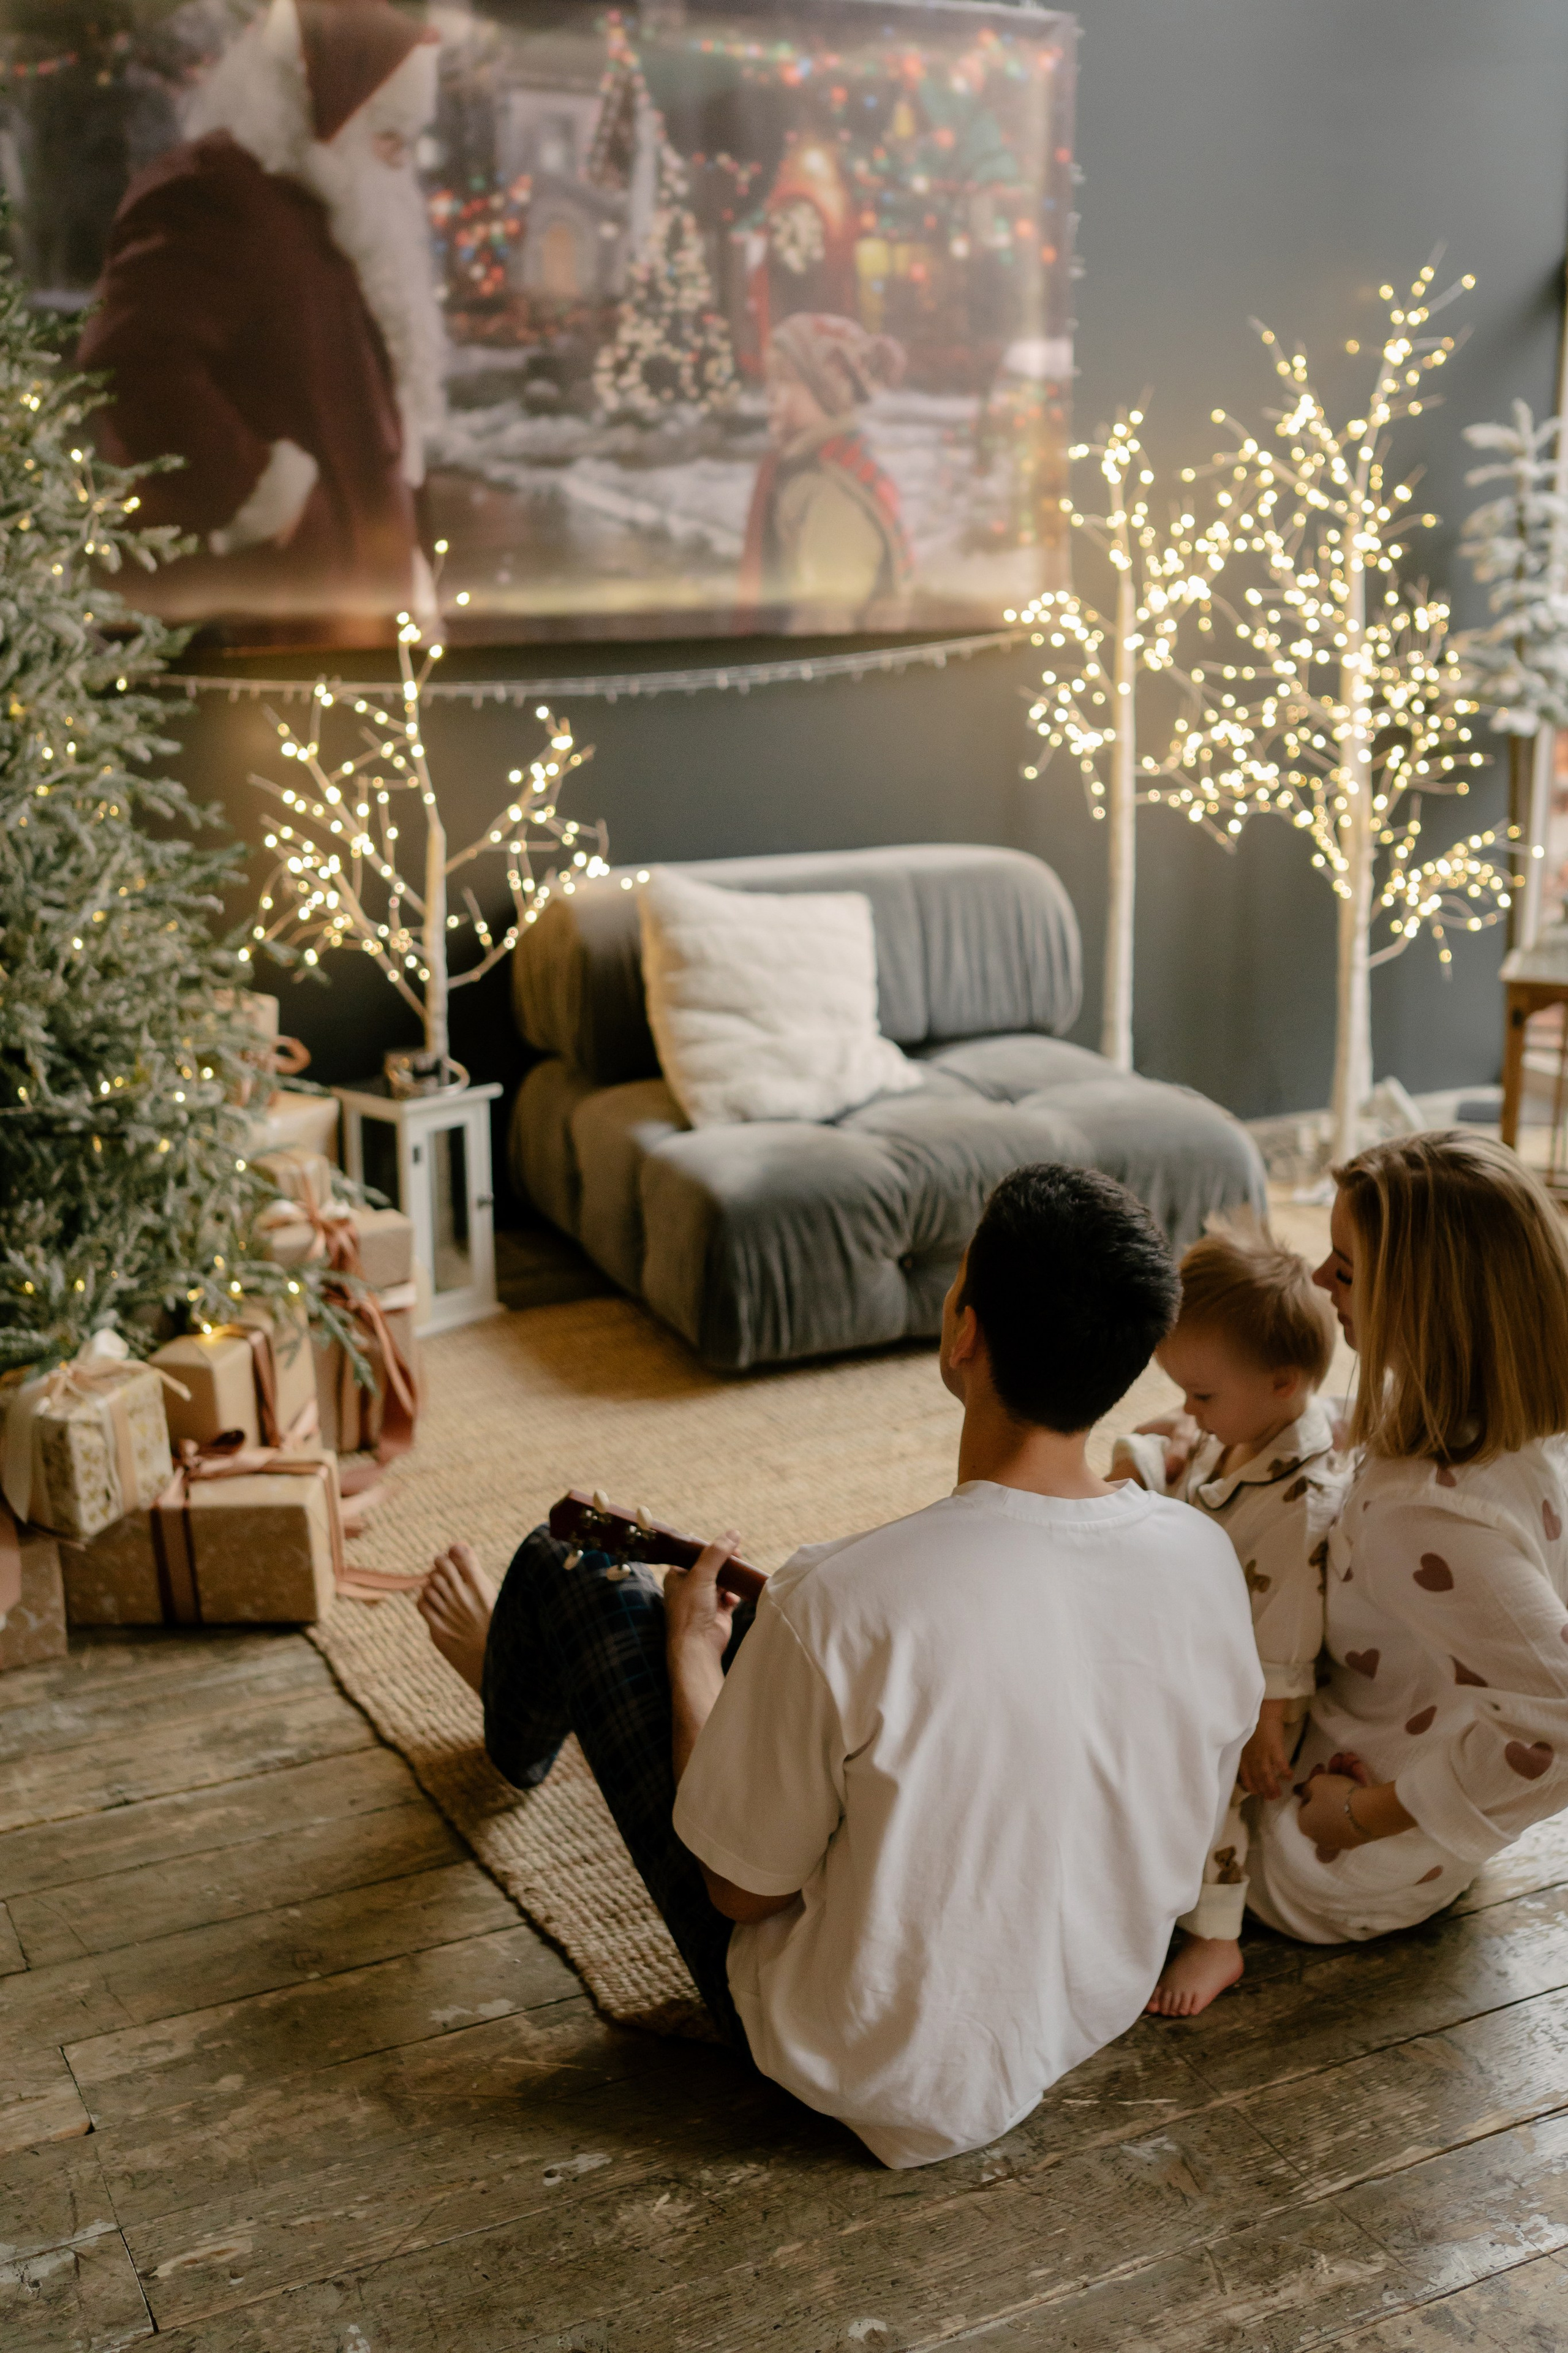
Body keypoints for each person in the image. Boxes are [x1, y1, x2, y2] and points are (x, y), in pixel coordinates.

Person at [418, 1163, 1262, 2169]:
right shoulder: (1202, 1556)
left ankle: (513, 1703)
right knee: (840, 1686)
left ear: (962, 1330)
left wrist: (695, 1660)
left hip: (854, 2066)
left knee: (574, 1568)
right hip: (1075, 2015)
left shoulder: (843, 1598)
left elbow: (739, 1891)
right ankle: (572, 1679)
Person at [1248, 1132, 1568, 1943]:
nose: (1319, 1280)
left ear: (1423, 1306)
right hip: (1400, 1771)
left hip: (1334, 1852)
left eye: (1345, 1270)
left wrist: (1360, 1814)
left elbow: (1561, 1722)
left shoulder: (1422, 1517)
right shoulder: (1499, 1425)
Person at [77, 0, 446, 633]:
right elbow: (132, 363)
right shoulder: (216, 193)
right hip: (267, 610)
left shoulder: (328, 213)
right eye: (388, 134)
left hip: (347, 610)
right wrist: (260, 488)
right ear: (331, 117)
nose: (401, 162)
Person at [1112, 1229, 1347, 2015]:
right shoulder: (1244, 1431)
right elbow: (1201, 1494)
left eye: (1201, 1396)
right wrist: (1174, 1446)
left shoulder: (1302, 1501)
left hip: (1250, 1687)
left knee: (1221, 1792)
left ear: (1282, 1384)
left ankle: (1216, 1934)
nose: (1189, 1409)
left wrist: (1265, 1725)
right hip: (1200, 1614)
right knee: (1134, 1459)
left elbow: (1288, 1628)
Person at [737, 312, 913, 627]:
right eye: (771, 379)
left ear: (829, 393)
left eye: (787, 380)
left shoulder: (833, 498)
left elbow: (824, 624)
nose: (771, 394)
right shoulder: (803, 472)